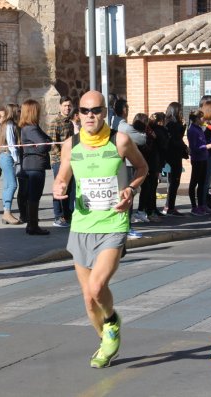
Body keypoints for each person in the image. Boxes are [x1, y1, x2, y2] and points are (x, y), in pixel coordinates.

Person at [53, 90, 147, 368]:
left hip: (113, 223)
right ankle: (107, 337)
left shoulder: (120, 141)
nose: (90, 116)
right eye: (85, 111)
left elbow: (142, 168)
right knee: (88, 299)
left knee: (96, 287)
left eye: (96, 110)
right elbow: (62, 176)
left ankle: (111, 322)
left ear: (104, 112)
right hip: (81, 225)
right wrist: (59, 186)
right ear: (77, 114)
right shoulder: (71, 145)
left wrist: (130, 188)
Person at [111, 99, 146, 238]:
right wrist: (145, 133)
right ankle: (127, 227)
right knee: (127, 194)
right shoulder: (124, 126)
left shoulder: (112, 122)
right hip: (127, 164)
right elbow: (141, 139)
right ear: (124, 109)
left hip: (115, 163)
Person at [20, 99, 52, 235]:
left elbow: (47, 140)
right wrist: (43, 146)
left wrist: (45, 143)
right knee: (34, 196)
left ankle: (31, 224)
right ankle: (33, 225)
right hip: (35, 165)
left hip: (30, 165)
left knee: (31, 195)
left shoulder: (29, 127)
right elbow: (45, 145)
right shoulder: (31, 128)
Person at [48, 96, 74, 228]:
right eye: (65, 105)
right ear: (60, 106)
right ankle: (58, 216)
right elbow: (53, 145)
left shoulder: (70, 122)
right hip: (58, 160)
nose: (67, 108)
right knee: (59, 187)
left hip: (70, 161)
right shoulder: (55, 122)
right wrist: (63, 158)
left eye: (69, 105)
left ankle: (68, 216)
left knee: (70, 189)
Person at [187, 110, 211, 216]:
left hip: (204, 158)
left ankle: (201, 205)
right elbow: (194, 147)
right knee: (194, 183)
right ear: (196, 119)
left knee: (202, 183)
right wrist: (206, 146)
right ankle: (194, 207)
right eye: (201, 118)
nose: (203, 120)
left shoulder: (199, 129)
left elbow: (203, 142)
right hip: (197, 159)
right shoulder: (192, 130)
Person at [0, 103, 22, 225]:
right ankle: (6, 212)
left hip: (3, 155)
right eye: (18, 110)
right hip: (7, 156)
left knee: (7, 185)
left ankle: (6, 211)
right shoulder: (10, 124)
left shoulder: (4, 124)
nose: (19, 112)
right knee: (12, 185)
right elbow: (12, 144)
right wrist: (16, 159)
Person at [162, 102, 187, 216]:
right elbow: (176, 140)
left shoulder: (171, 122)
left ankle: (169, 206)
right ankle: (170, 207)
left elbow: (178, 137)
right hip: (173, 155)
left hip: (172, 155)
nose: (181, 112)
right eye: (180, 110)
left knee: (173, 182)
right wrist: (185, 147)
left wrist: (183, 127)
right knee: (174, 182)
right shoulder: (172, 124)